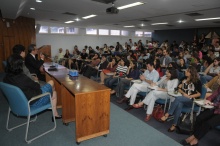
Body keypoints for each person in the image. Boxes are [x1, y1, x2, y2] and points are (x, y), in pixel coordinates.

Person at [3, 54, 61, 121]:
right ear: (19, 65)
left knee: (54, 93)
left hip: (19, 102)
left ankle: (55, 114)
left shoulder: (6, 78)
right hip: (34, 101)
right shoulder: (22, 78)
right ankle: (49, 101)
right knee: (51, 82)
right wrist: (35, 81)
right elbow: (37, 87)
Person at [160, 66, 202, 132]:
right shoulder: (183, 78)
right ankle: (174, 125)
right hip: (182, 98)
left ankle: (168, 114)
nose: (185, 71)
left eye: (187, 71)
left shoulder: (197, 81)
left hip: (191, 100)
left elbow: (199, 94)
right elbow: (178, 89)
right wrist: (183, 92)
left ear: (191, 73)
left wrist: (188, 96)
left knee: (178, 99)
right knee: (179, 104)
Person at [180, 79, 220, 146]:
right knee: (199, 118)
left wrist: (212, 104)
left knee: (208, 123)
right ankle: (194, 136)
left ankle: (194, 139)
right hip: (215, 109)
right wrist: (208, 100)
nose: (218, 79)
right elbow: (213, 95)